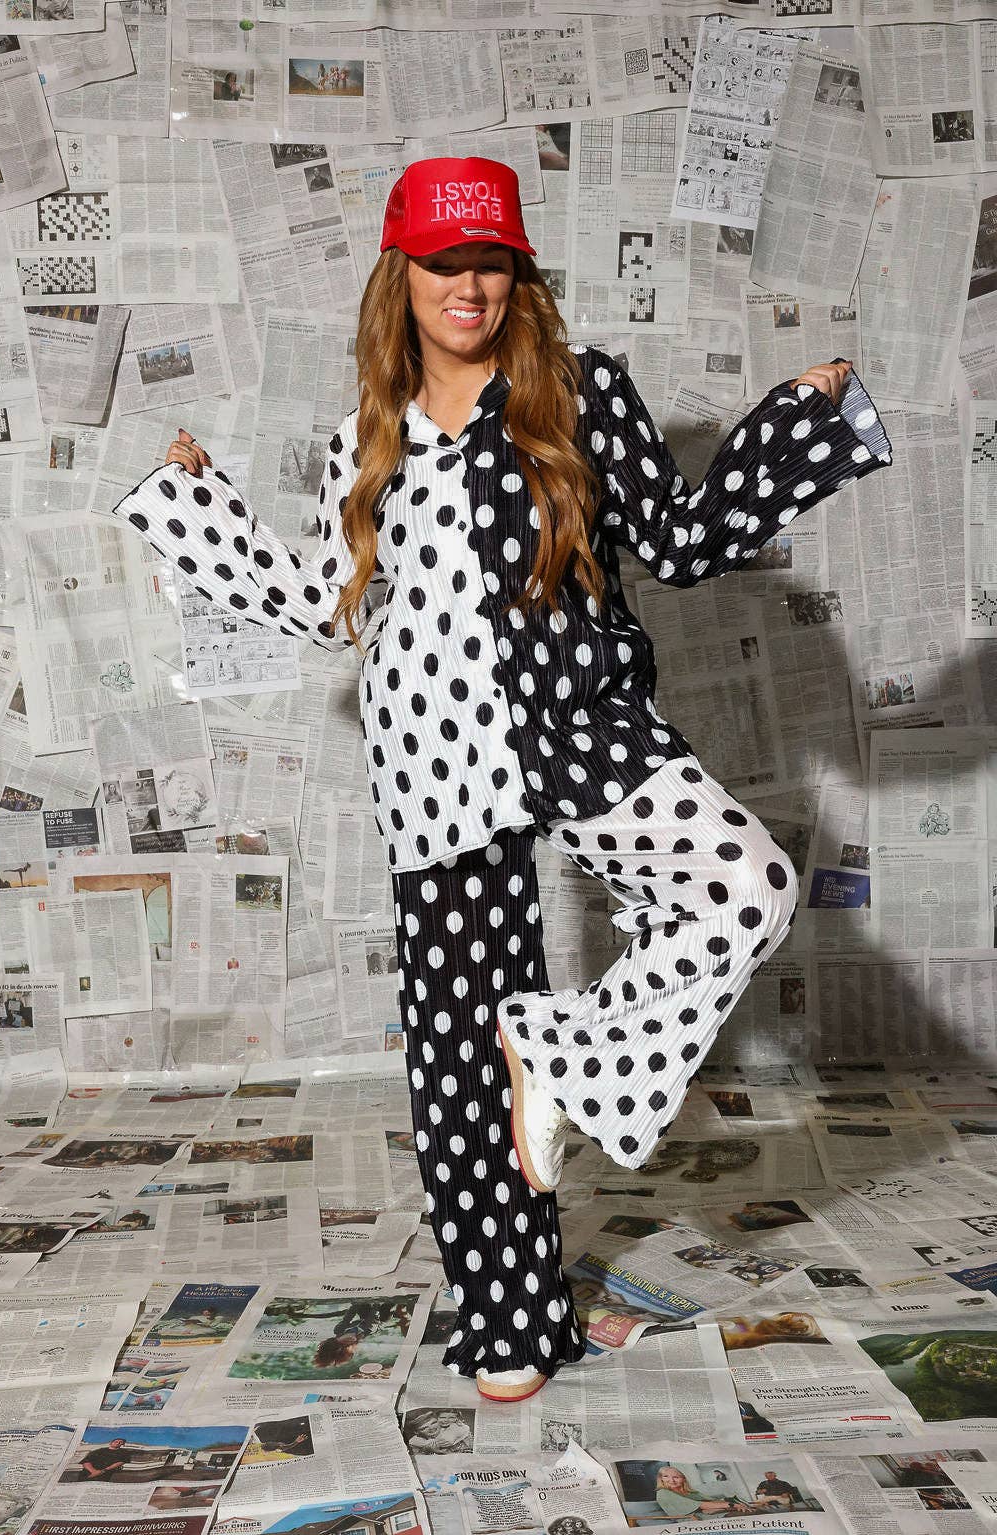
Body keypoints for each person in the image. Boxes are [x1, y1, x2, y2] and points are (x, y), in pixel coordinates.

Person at [108, 156, 894, 1407]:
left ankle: (570, 1052)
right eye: (442, 262)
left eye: (490, 261)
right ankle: (509, 1320)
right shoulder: (363, 440)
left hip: (581, 722)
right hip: (433, 755)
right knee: (458, 1056)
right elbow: (324, 603)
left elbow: (683, 543)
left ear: (517, 274)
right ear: (401, 276)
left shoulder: (580, 401)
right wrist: (190, 501)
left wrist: (800, 416)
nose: (466, 284)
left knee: (744, 883)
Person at [654, 1466, 750, 1518]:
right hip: (693, 1520)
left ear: (683, 1479)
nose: (671, 1480)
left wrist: (735, 1504)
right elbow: (701, 1505)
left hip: (712, 1514)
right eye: (666, 1476)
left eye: (676, 1477)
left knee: (752, 1511)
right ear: (661, 1479)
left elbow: (710, 1501)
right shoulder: (663, 1493)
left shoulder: (689, 1491)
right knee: (747, 1515)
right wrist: (732, 1505)